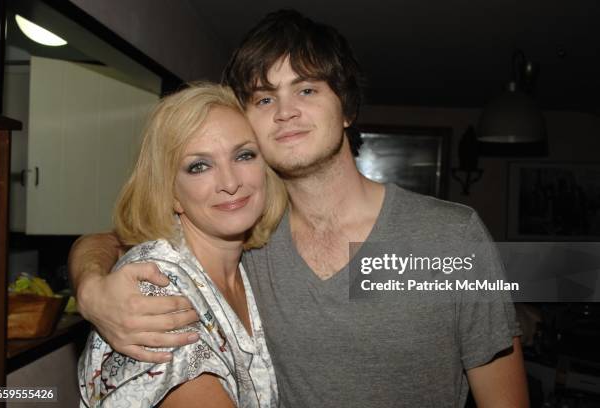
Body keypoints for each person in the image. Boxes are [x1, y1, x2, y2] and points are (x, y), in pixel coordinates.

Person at [70, 10, 529, 407]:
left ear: (346, 108)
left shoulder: (452, 237)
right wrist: (92, 287)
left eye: (307, 90)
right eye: (264, 97)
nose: (285, 111)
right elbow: (122, 238)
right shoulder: (245, 234)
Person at [78, 83, 286, 407]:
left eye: (244, 155)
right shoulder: (157, 290)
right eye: (199, 166)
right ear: (171, 192)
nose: (231, 183)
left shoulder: (247, 265)